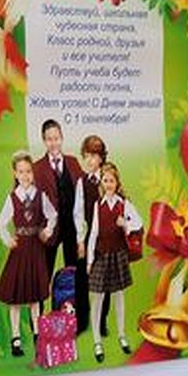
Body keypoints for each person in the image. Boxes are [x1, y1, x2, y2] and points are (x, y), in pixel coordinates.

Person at [0, 151, 56, 357]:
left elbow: (52, 215)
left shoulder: (40, 196)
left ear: (33, 172)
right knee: (15, 298)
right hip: (20, 249)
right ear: (15, 174)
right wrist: (7, 239)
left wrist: (47, 231)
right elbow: (1, 222)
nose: (25, 175)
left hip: (36, 249)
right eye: (21, 172)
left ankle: (38, 334)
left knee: (34, 297)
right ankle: (15, 338)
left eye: (28, 171)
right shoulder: (12, 198)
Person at [33, 119, 89, 332]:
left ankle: (76, 321)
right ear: (44, 141)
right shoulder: (36, 168)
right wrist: (39, 230)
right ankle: (37, 324)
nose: (53, 142)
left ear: (62, 138)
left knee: (76, 276)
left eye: (56, 138)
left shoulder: (73, 163)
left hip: (72, 229)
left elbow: (87, 192)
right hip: (49, 231)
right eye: (49, 139)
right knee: (42, 277)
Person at [86, 162, 142, 363]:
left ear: (117, 183)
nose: (108, 184)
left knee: (119, 296)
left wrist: (125, 223)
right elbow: (93, 233)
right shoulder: (97, 205)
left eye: (111, 180)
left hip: (118, 255)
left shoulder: (123, 204)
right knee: (97, 298)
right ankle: (97, 341)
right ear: (101, 182)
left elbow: (139, 223)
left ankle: (121, 335)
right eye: (105, 180)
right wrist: (90, 260)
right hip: (102, 256)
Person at [73, 135, 112, 336]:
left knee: (105, 281)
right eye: (86, 156)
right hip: (89, 237)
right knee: (82, 280)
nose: (89, 160)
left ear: (101, 157)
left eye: (94, 156)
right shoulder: (82, 182)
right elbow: (78, 212)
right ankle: (82, 321)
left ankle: (102, 321)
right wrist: (80, 240)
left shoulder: (109, 178)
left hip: (107, 238)